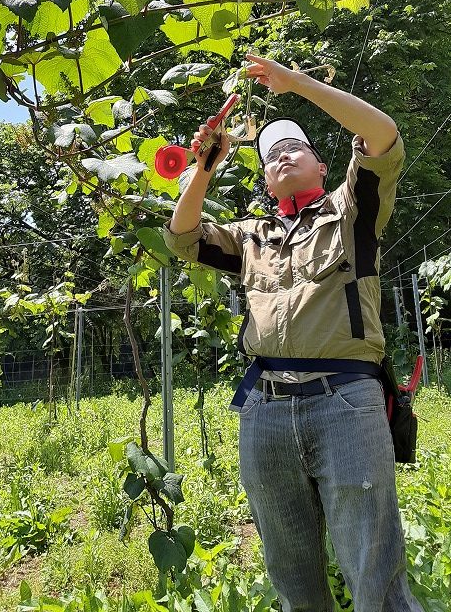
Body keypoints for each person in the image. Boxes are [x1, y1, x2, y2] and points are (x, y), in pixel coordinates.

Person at [163, 53, 423, 612]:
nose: (282, 155)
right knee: (290, 573)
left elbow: (384, 136)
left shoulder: (353, 213)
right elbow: (182, 236)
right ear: (264, 179)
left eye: (294, 148)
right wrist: (204, 165)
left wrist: (297, 84)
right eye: (271, 155)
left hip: (346, 402)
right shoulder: (250, 237)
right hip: (265, 411)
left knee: (374, 574)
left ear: (323, 166)